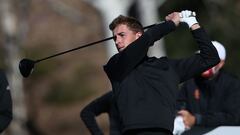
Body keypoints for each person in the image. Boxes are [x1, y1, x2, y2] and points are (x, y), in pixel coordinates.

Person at [103, 10, 220, 135]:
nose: (117, 41)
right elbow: (143, 43)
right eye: (115, 37)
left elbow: (210, 58)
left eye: (122, 35)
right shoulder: (115, 65)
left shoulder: (168, 67)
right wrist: (170, 24)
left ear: (138, 36)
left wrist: (192, 23)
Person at [176, 41, 240, 135]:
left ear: (221, 63)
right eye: (202, 58)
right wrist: (180, 115)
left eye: (211, 58)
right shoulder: (190, 82)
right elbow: (178, 106)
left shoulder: (232, 84)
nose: (206, 62)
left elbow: (233, 117)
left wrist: (196, 119)